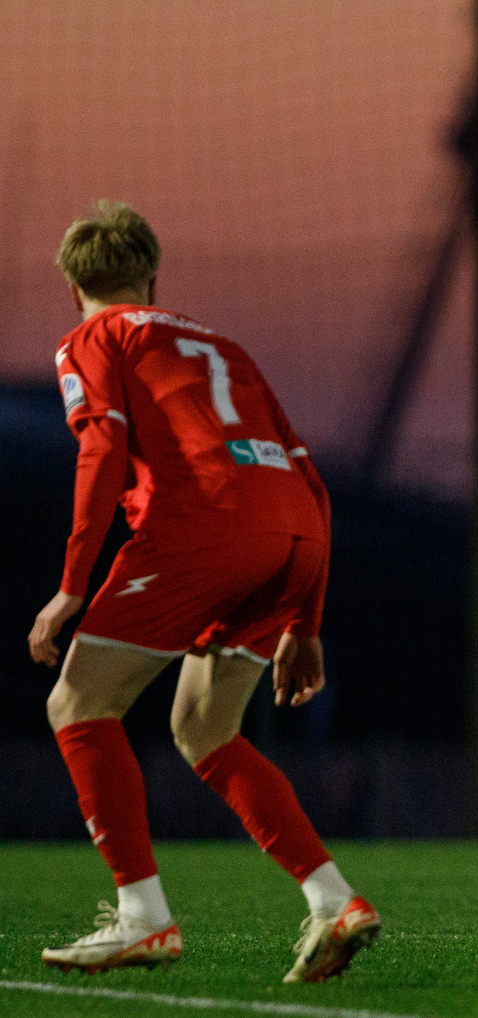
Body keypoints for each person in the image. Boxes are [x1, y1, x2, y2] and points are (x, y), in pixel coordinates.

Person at [27, 202, 379, 981]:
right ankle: (334, 900)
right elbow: (310, 480)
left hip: (202, 526)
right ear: (154, 276)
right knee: (205, 730)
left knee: (77, 704)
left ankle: (141, 919)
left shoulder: (92, 337)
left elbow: (103, 450)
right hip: (291, 531)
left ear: (74, 288)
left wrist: (71, 586)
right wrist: (305, 620)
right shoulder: (223, 344)